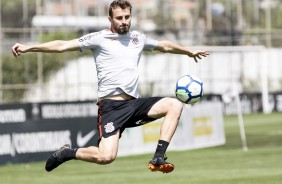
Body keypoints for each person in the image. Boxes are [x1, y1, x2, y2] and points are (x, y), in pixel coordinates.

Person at [12, 0, 209, 173]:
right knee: (106, 157)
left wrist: (188, 52)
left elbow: (164, 45)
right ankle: (68, 153)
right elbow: (62, 45)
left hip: (134, 105)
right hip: (111, 108)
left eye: (127, 17)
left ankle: (158, 157)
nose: (124, 21)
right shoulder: (98, 39)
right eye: (119, 18)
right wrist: (29, 47)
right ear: (110, 19)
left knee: (175, 105)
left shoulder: (138, 38)